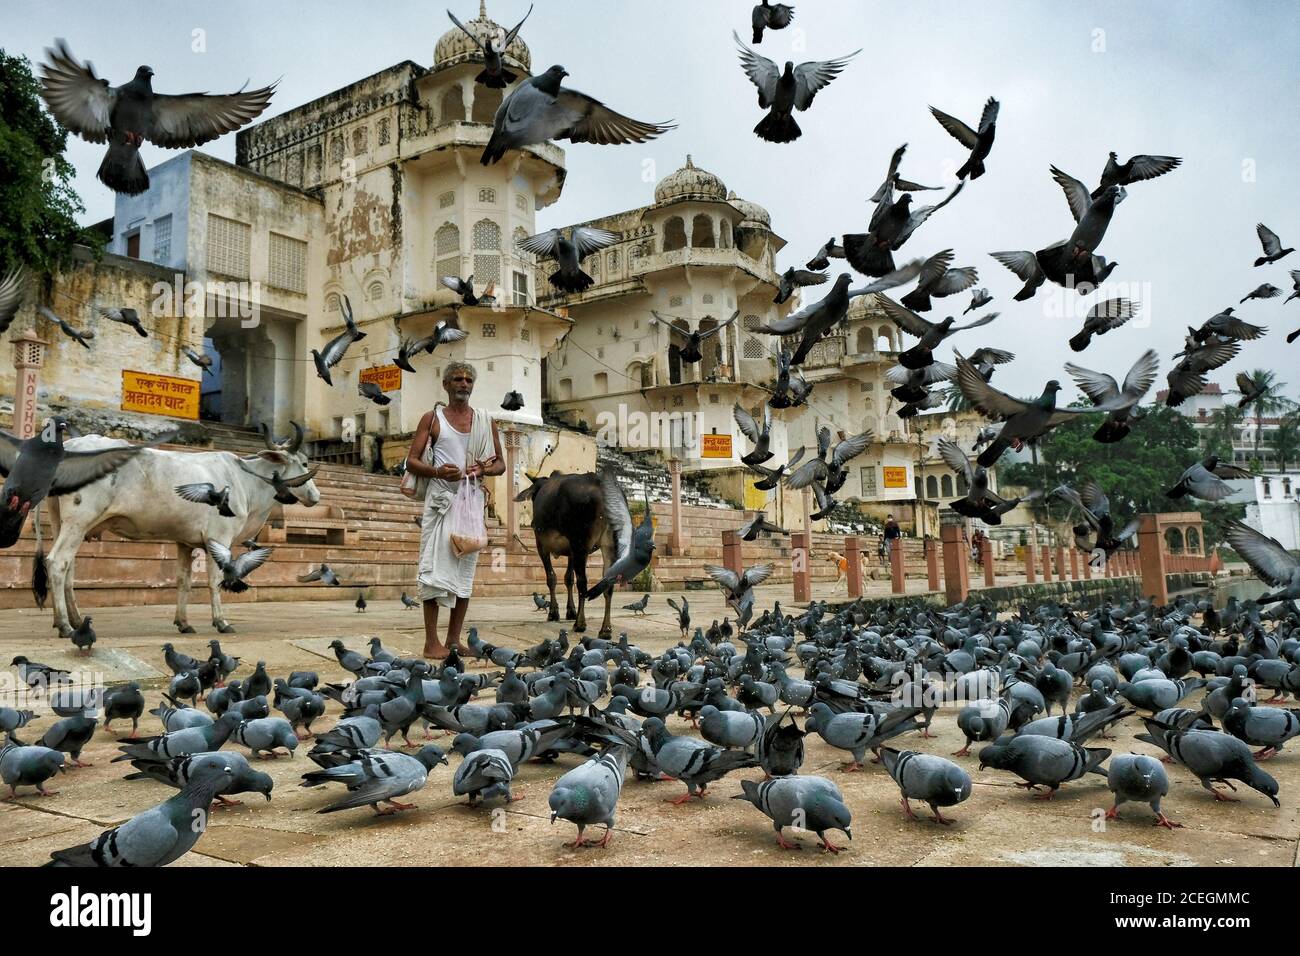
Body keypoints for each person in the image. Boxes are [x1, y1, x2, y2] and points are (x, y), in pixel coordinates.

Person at [405, 361, 504, 660]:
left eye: (468, 380)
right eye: (457, 379)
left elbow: (500, 463)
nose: (463, 384)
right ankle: (430, 642)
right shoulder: (432, 418)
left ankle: (453, 639)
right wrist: (437, 472)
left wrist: (484, 467)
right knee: (433, 571)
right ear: (446, 385)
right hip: (441, 501)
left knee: (465, 570)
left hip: (471, 501)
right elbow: (411, 461)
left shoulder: (486, 420)